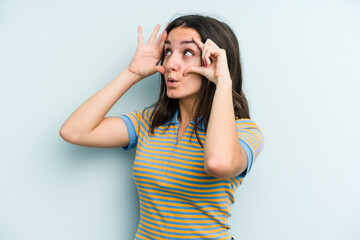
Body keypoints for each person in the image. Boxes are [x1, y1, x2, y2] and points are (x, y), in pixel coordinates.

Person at [60, 14, 264, 240]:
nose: (169, 64)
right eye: (168, 51)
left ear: (214, 61)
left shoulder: (244, 132)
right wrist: (131, 74)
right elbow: (74, 131)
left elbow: (218, 164)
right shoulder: (148, 121)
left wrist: (223, 81)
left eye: (187, 52)